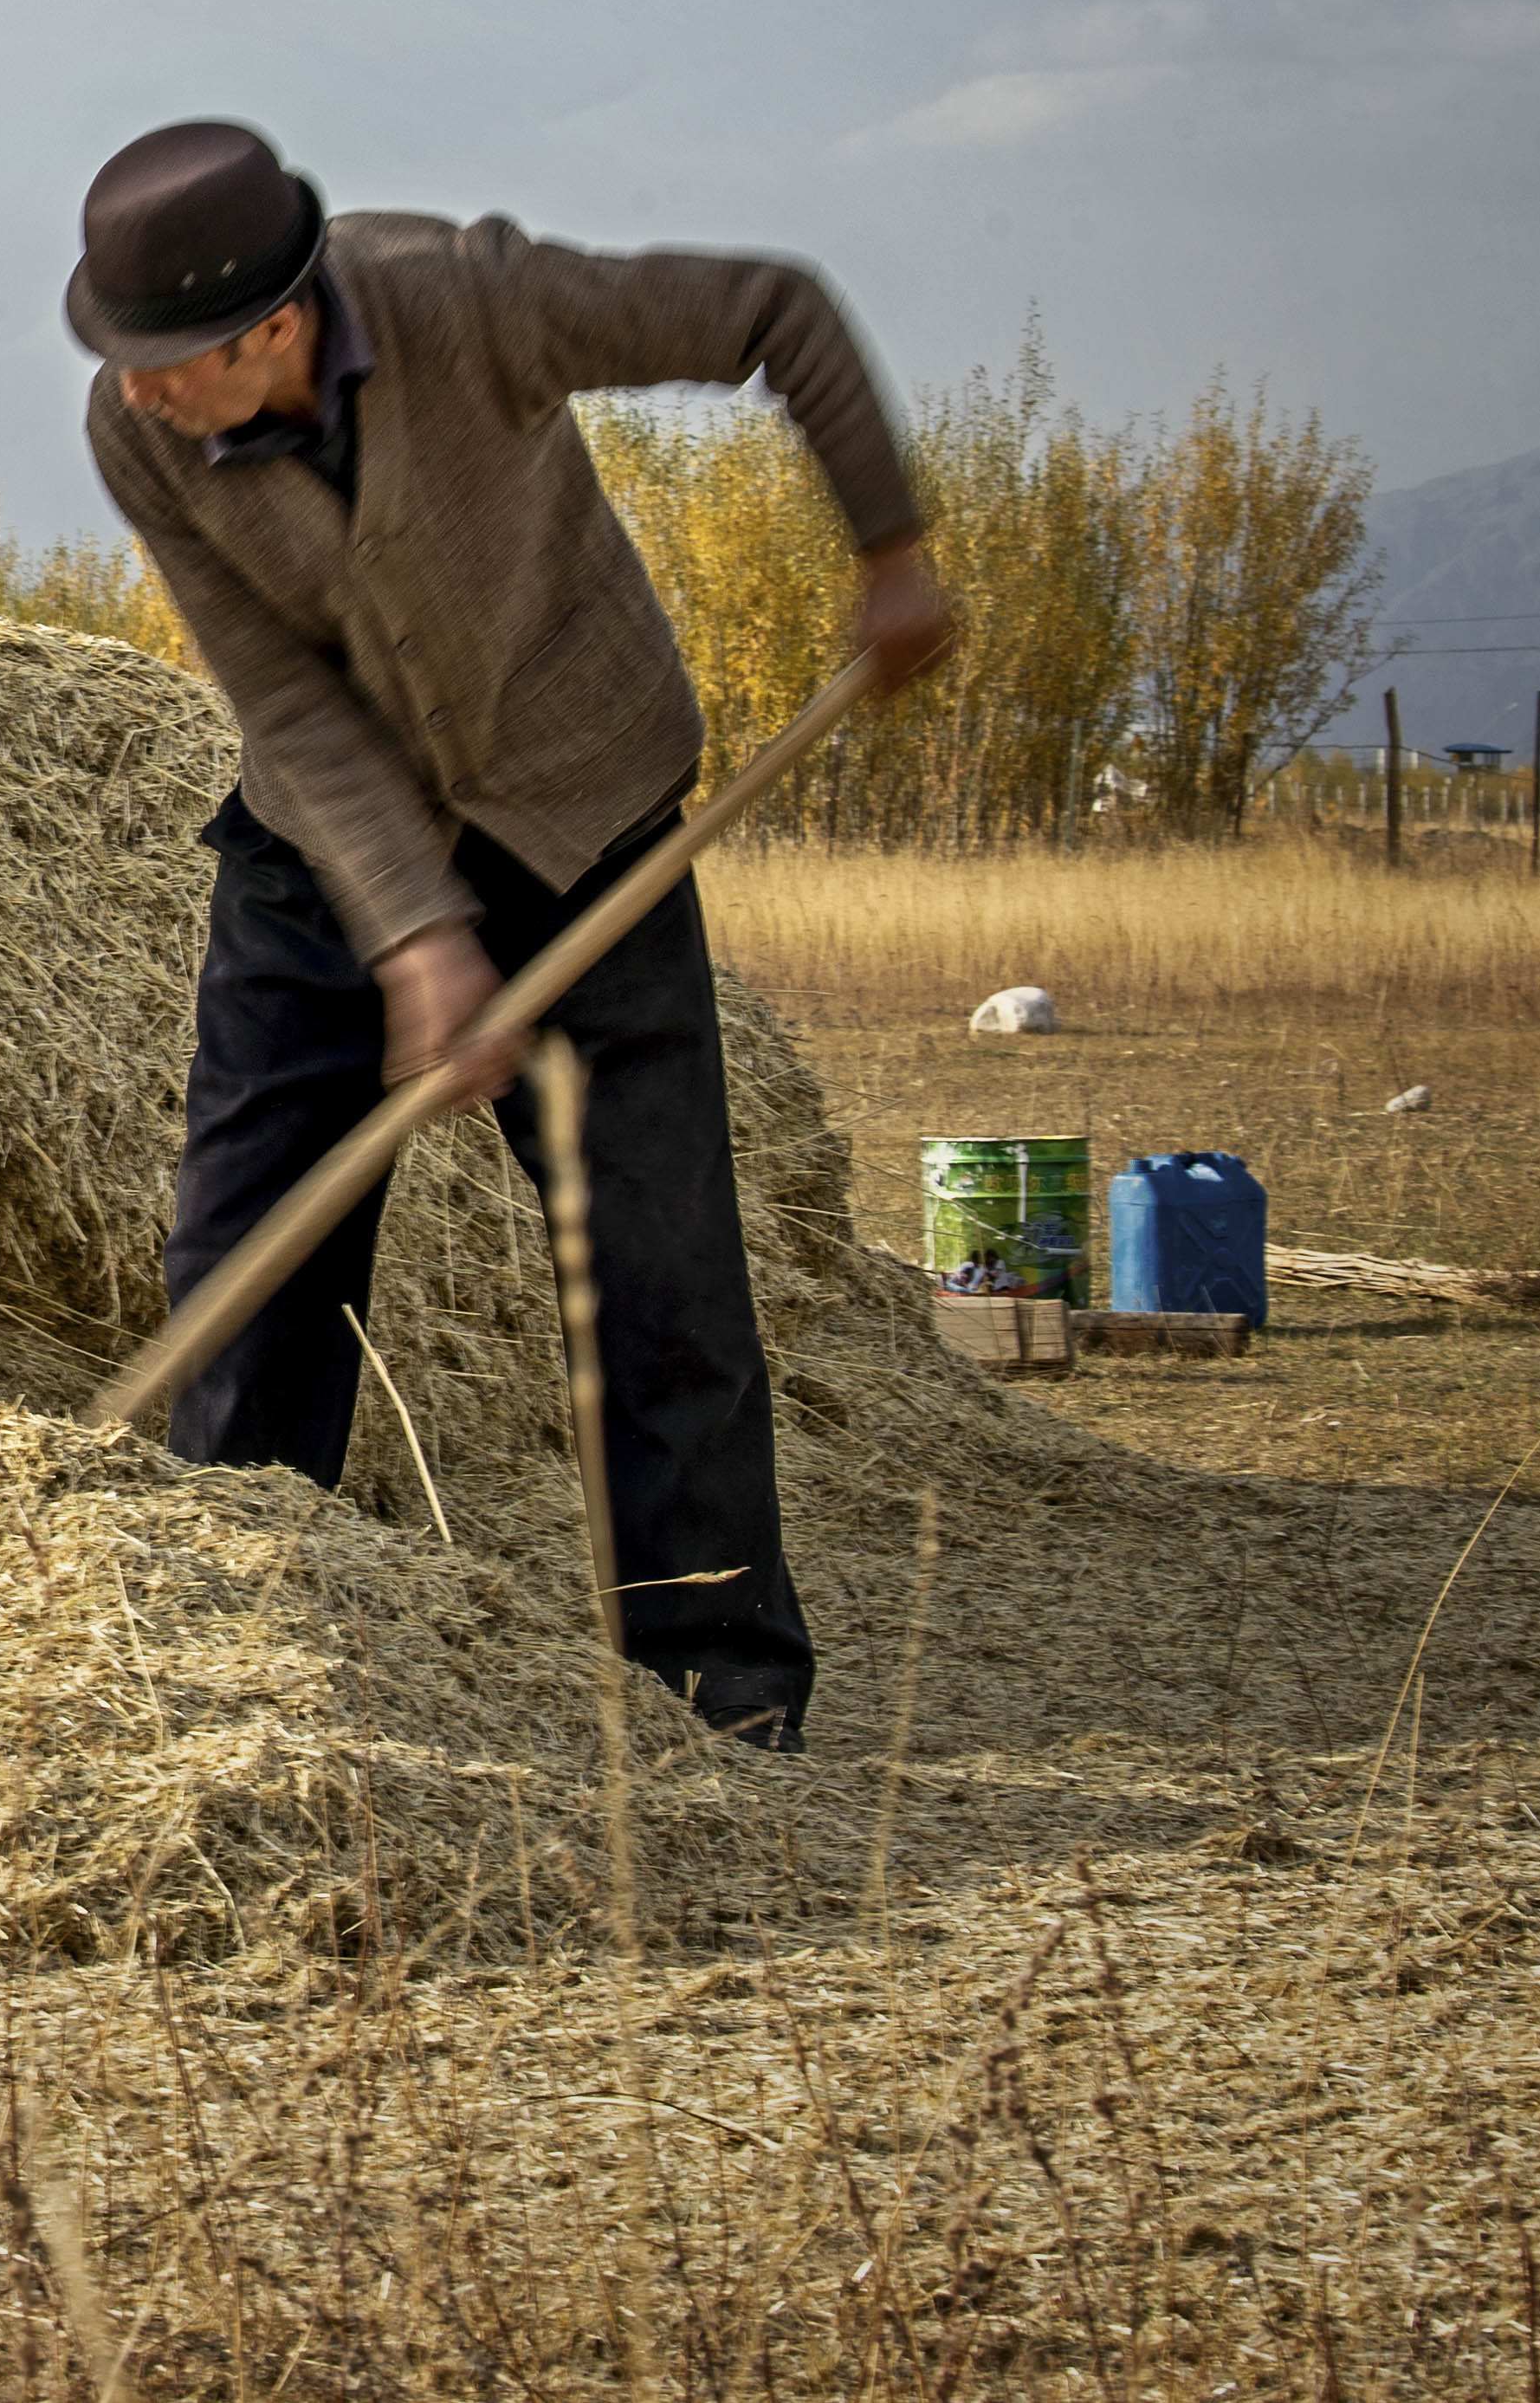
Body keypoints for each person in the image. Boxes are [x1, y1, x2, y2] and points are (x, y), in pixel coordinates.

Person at [68, 119, 953, 1752]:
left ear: (271, 326)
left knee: (651, 1264)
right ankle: (232, 1645)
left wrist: (885, 549)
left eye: (164, 359)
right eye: (114, 358)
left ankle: (714, 1690)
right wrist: (413, 938)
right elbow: (282, 694)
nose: (131, 392)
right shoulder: (143, 440)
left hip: (575, 804)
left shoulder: (469, 300)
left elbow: (775, 307)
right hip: (316, 847)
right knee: (246, 1251)